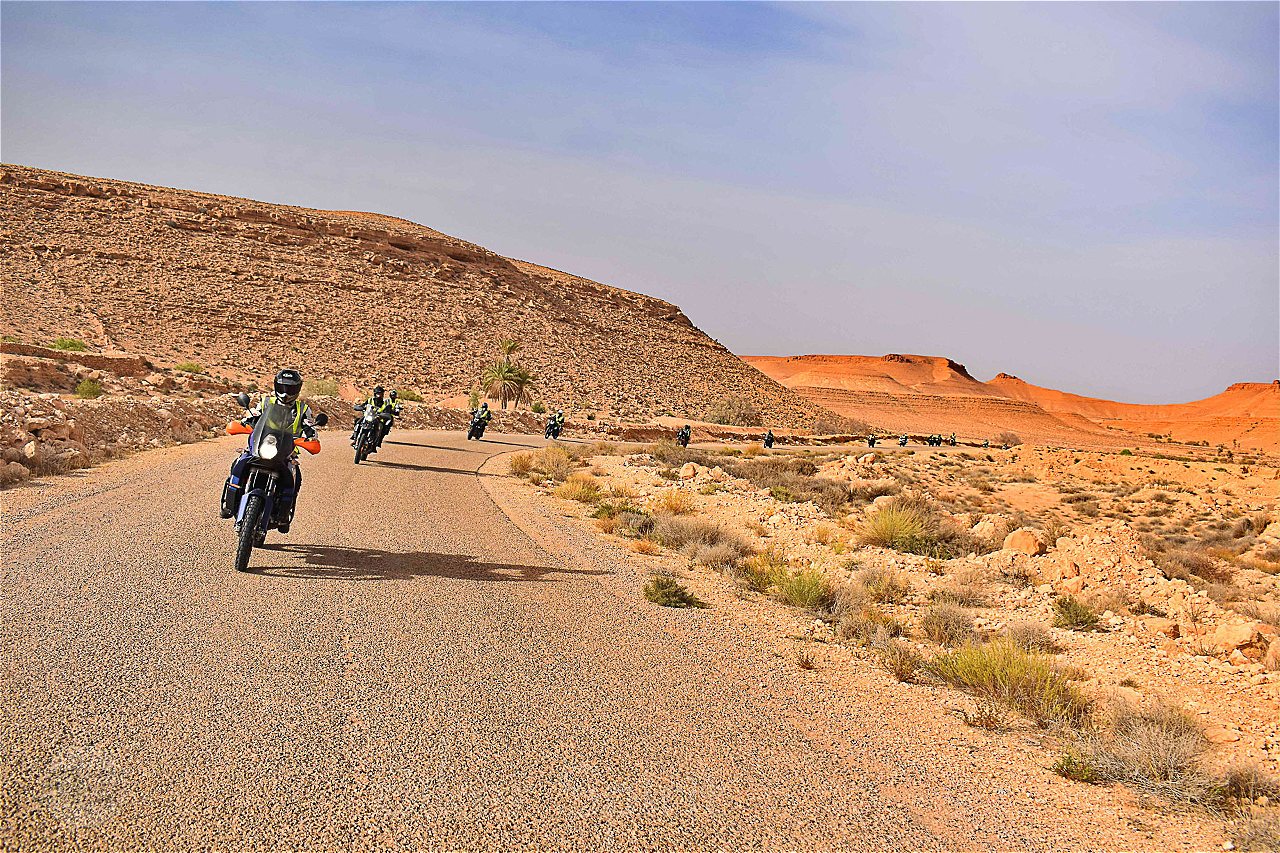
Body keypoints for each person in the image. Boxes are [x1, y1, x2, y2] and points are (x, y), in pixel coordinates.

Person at [220, 369, 319, 531]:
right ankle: (228, 501)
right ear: (276, 386)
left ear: (297, 389)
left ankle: (285, 515)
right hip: (260, 445)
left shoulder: (303, 409)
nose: (286, 393)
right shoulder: (266, 402)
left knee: (296, 477)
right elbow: (252, 415)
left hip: (286, 452)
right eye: (283, 388)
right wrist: (244, 423)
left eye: (291, 389)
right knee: (238, 463)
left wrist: (311, 436)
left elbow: (310, 426)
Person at [351, 385, 395, 454]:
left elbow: (388, 410)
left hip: (378, 419)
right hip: (368, 416)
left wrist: (386, 414)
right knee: (358, 421)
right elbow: (363, 405)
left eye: (380, 394)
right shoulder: (370, 400)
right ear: (375, 394)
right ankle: (355, 437)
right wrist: (360, 407)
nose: (379, 395)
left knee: (381, 428)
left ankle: (376, 443)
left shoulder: (385, 403)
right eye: (378, 394)